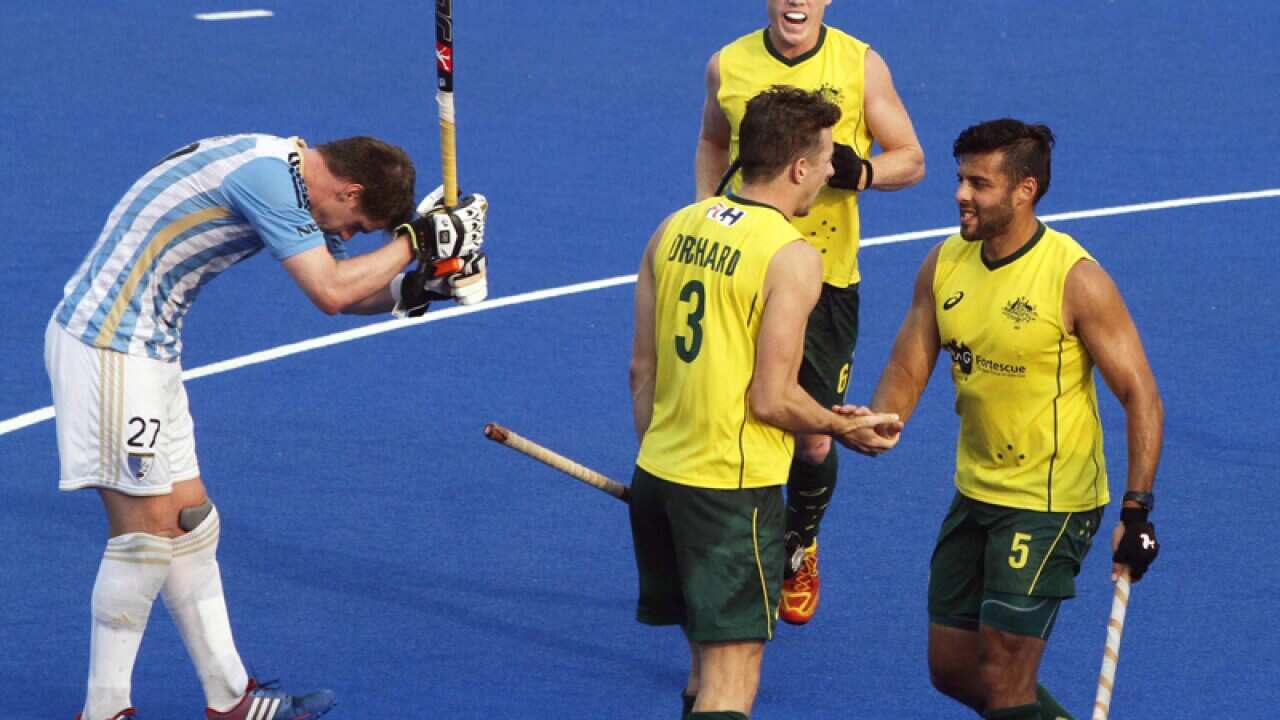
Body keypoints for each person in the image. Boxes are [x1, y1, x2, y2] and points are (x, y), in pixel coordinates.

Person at [44, 133, 489, 720]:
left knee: (190, 523)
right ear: (349, 188)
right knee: (145, 536)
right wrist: (415, 241)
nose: (347, 236)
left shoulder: (292, 169)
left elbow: (347, 287)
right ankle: (103, 711)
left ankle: (229, 698)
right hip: (107, 349)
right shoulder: (266, 181)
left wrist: (420, 286)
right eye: (356, 224)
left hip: (149, 349)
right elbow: (330, 291)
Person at [849, 119, 1163, 720]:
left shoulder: (1076, 279)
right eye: (960, 179)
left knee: (1004, 670)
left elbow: (1141, 394)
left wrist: (1137, 510)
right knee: (952, 667)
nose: (961, 194)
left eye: (978, 183)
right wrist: (882, 419)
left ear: (1024, 190)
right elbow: (910, 361)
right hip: (975, 491)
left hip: (1051, 500)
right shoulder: (944, 262)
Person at [631, 87, 900, 720]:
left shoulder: (673, 229)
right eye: (829, 157)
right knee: (733, 683)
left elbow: (642, 370)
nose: (833, 170)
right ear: (800, 167)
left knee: (702, 669)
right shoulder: (792, 257)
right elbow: (773, 397)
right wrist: (841, 426)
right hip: (731, 490)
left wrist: (660, 464)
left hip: (660, 475)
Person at [695, 0, 926, 624]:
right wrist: (708, 213)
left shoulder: (860, 64)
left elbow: (912, 157)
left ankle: (799, 541)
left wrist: (867, 172)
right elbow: (715, 140)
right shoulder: (729, 64)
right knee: (730, 410)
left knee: (815, 436)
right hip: (742, 269)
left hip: (824, 280)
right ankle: (723, 535)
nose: (796, 2)